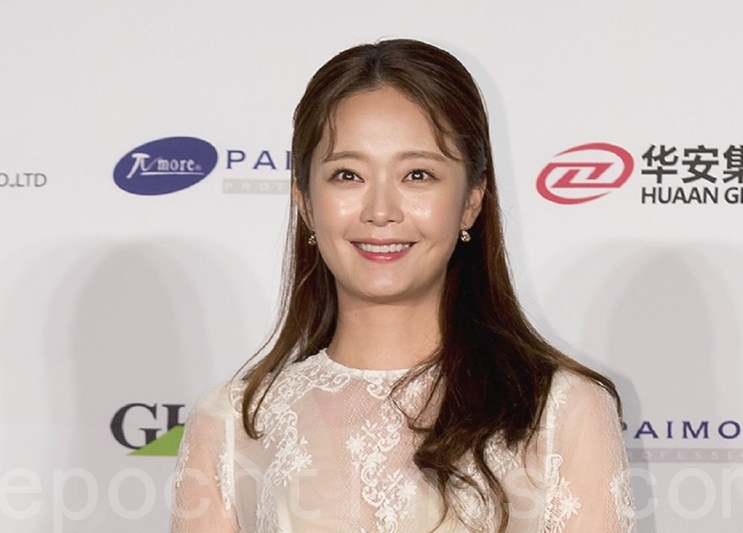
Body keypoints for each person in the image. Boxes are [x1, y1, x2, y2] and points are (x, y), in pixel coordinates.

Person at [170, 39, 636, 533]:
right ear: (305, 202)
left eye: (417, 174)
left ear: (472, 201)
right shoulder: (230, 425)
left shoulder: (560, 411)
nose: (381, 211)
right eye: (347, 175)